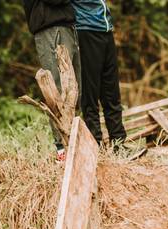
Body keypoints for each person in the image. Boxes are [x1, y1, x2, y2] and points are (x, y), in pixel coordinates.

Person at [22, 0, 82, 163]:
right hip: (49, 28)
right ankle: (62, 149)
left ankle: (76, 143)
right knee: (57, 90)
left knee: (75, 89)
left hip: (67, 26)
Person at [70, 1, 131, 151]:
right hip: (86, 30)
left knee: (112, 93)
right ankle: (96, 146)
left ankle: (119, 144)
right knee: (90, 94)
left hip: (106, 29)